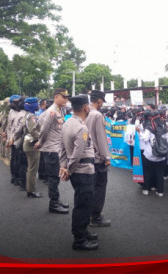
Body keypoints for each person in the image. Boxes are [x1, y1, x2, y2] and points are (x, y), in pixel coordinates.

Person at [60, 94, 99, 250]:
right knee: (83, 205)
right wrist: (68, 169)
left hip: (76, 171)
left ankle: (83, 231)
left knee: (84, 203)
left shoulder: (67, 123)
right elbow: (77, 153)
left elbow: (61, 148)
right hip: (82, 171)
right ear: (85, 107)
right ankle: (79, 239)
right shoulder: (81, 127)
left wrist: (63, 166)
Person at [35, 88, 70, 214]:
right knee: (53, 178)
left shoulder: (58, 110)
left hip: (55, 148)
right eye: (63, 97)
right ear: (56, 97)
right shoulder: (51, 111)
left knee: (55, 176)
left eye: (67, 97)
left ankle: (57, 199)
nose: (66, 99)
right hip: (51, 149)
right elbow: (44, 129)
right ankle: (53, 204)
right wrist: (41, 142)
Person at [85, 90, 112, 227]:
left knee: (91, 187)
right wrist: (106, 156)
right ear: (99, 101)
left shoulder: (85, 111)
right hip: (97, 157)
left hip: (86, 155)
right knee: (100, 187)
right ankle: (95, 217)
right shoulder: (97, 115)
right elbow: (101, 138)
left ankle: (90, 213)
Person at [22, 97, 43, 198]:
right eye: (36, 103)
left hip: (29, 145)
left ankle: (30, 189)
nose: (38, 105)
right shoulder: (31, 117)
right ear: (32, 105)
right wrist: (40, 139)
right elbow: (32, 130)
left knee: (31, 168)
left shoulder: (28, 115)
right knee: (33, 169)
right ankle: (31, 191)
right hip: (32, 145)